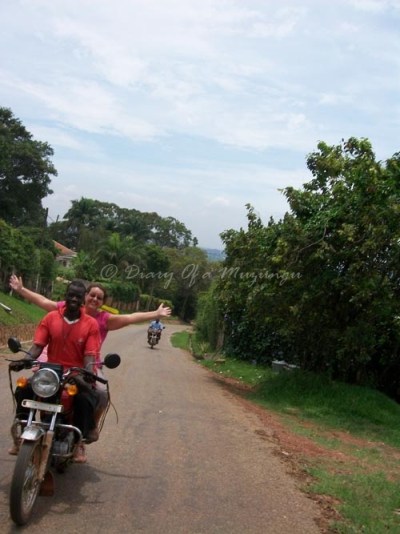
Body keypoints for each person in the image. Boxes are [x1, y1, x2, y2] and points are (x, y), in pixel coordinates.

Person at [9, 280, 101, 463]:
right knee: (24, 389)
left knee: (86, 399)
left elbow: (90, 358)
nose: (74, 298)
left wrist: (87, 374)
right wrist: (24, 361)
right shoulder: (51, 318)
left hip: (74, 374)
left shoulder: (91, 324)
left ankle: (78, 442)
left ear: (83, 299)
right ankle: (22, 430)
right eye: (71, 294)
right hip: (50, 372)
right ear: (65, 296)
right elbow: (37, 347)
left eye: (78, 295)